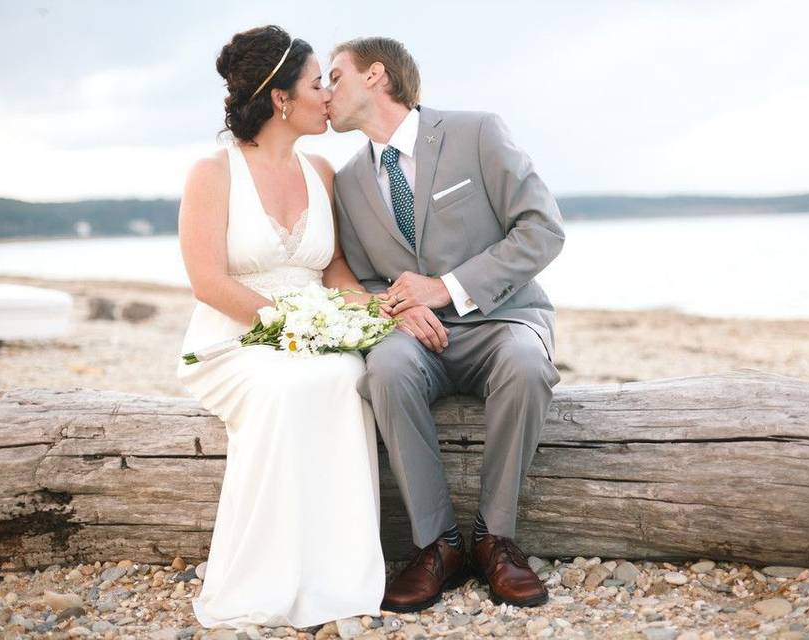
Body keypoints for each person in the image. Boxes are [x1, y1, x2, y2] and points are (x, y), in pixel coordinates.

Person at [326, 37, 566, 612]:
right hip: (415, 338)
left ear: (376, 76)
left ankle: (494, 539)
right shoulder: (349, 180)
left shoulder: (477, 132)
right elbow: (363, 278)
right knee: (384, 369)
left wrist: (445, 289)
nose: (324, 91)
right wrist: (402, 308)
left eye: (334, 76)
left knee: (527, 364)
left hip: (501, 318)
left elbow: (541, 230)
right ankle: (438, 545)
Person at [174, 25, 386, 630]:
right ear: (280, 99)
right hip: (234, 336)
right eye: (317, 83)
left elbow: (337, 269)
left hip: (314, 331)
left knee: (348, 374)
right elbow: (207, 280)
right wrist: (291, 326)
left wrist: (373, 311)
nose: (328, 95)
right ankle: (261, 578)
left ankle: (338, 574)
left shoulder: (322, 171)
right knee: (287, 386)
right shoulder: (212, 173)